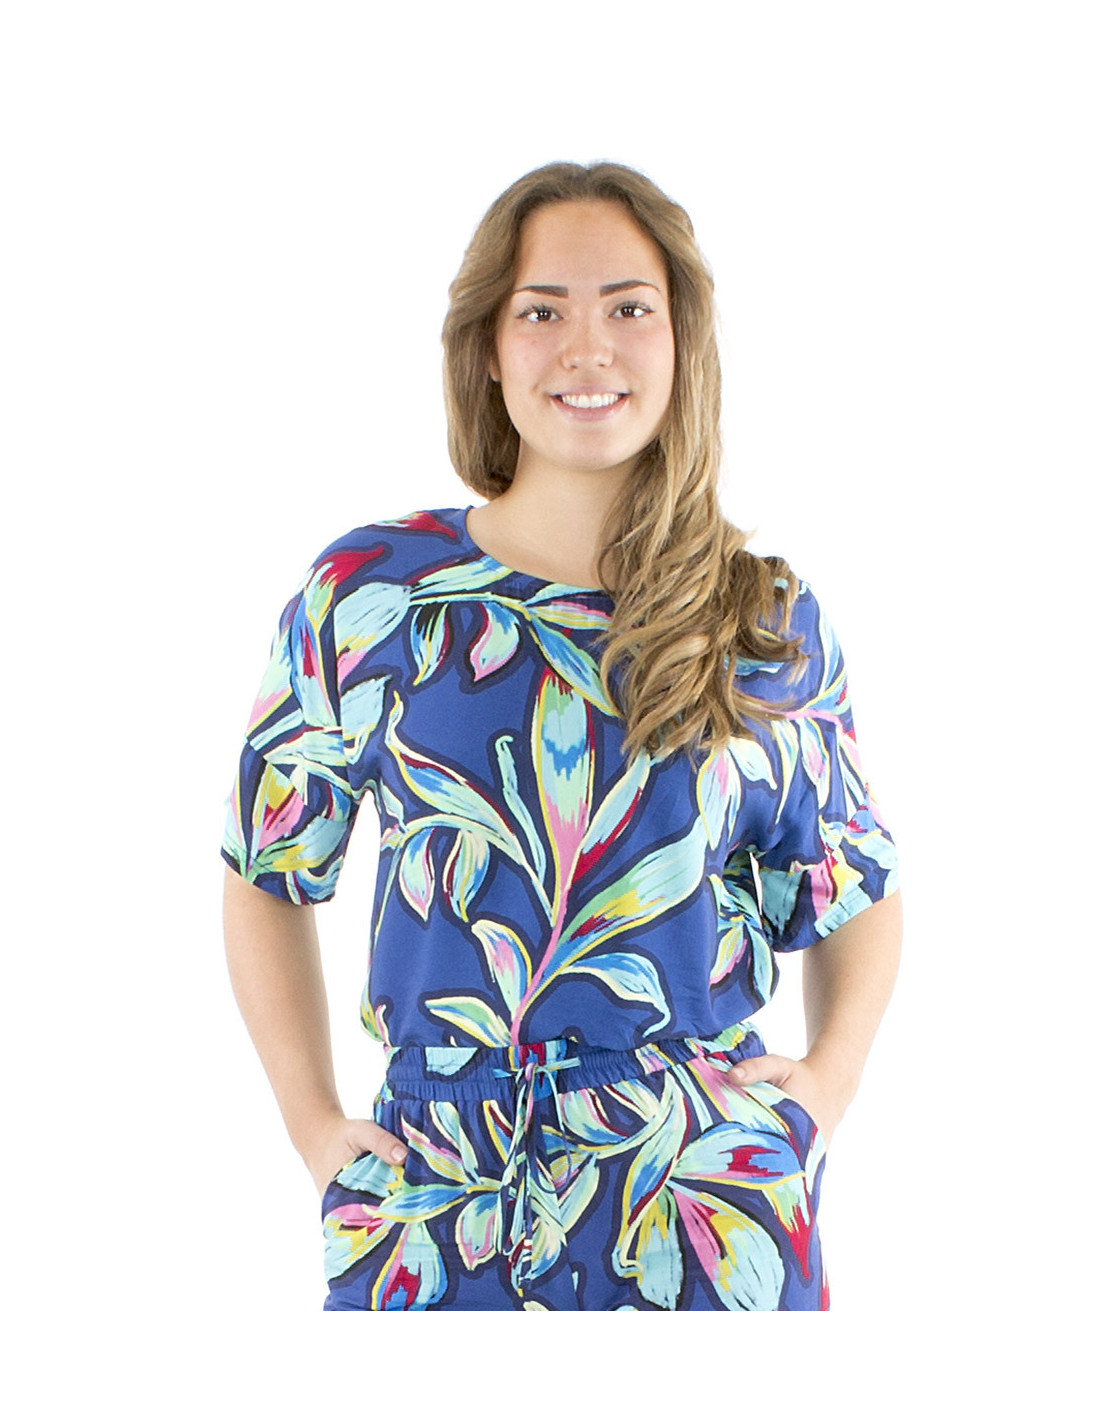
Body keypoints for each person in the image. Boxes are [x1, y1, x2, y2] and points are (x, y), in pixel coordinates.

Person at [220, 159, 902, 1311]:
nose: (587, 349)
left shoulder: (761, 619)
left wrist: (817, 1097)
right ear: (487, 348)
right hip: (440, 1192)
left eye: (628, 308)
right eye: (541, 312)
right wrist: (314, 1130)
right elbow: (265, 870)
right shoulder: (376, 595)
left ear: (681, 341)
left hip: (699, 1196)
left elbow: (851, 881)